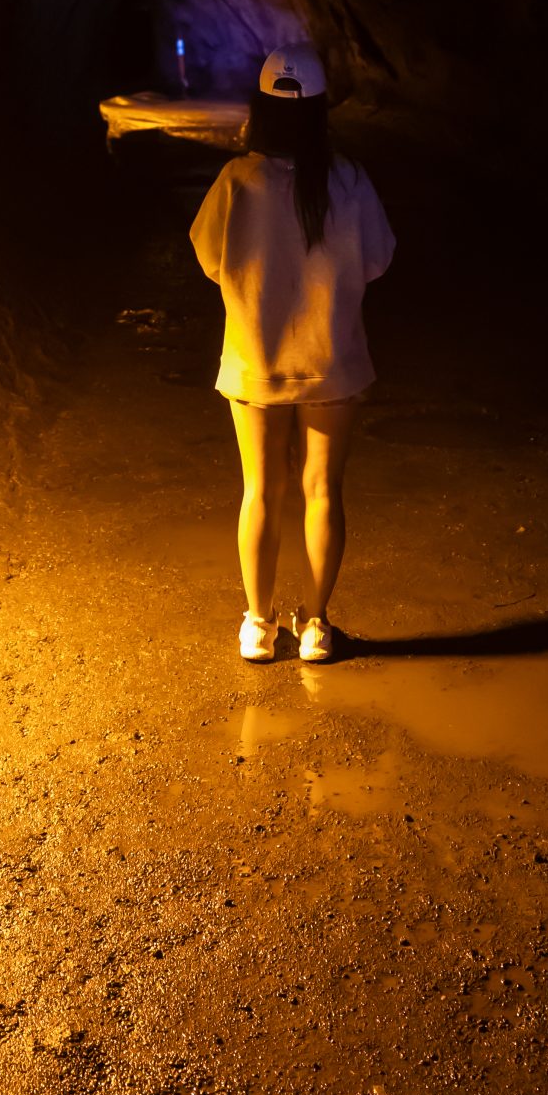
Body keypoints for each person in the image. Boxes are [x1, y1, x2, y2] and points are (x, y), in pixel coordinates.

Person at [190, 46, 395, 663]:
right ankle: (317, 626)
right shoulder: (350, 179)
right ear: (321, 111)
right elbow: (379, 258)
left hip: (256, 358)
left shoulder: (237, 182)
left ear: (262, 108)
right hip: (333, 360)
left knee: (261, 490)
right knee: (322, 491)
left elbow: (209, 259)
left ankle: (258, 623)